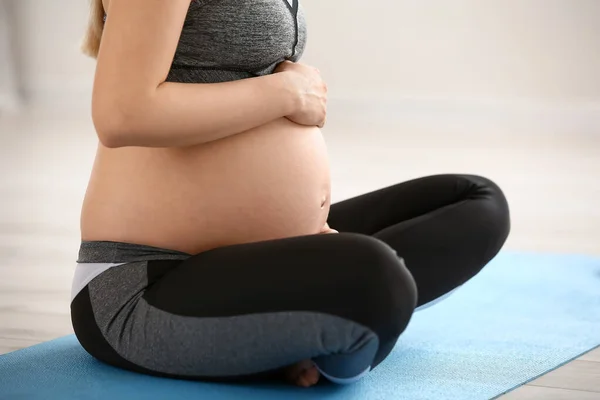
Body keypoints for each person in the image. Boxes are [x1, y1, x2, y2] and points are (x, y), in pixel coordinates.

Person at [70, 0, 510, 388]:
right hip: (148, 285)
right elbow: (122, 114)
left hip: (264, 253)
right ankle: (308, 337)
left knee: (476, 204)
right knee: (378, 280)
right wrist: (284, 92)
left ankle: (299, 330)